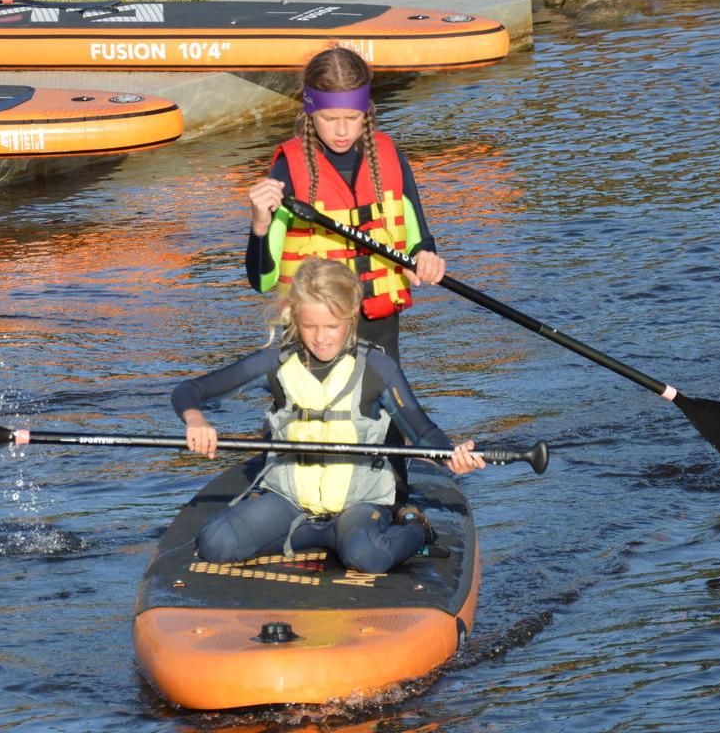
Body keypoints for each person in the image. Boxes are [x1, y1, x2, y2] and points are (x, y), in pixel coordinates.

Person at [172, 258, 485, 575]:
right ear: (296, 317)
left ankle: (415, 530)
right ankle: (317, 538)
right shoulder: (276, 362)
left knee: (367, 556)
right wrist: (195, 419)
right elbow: (189, 391)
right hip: (289, 502)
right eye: (310, 326)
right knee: (215, 544)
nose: (321, 337)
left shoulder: (378, 367)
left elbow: (422, 432)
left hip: (358, 505)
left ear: (351, 318)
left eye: (332, 326)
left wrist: (451, 455)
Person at [245, 46, 446, 363]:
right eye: (329, 118)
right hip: (312, 338)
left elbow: (421, 239)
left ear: (366, 112)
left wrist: (426, 256)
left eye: (352, 118)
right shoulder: (288, 171)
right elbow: (261, 281)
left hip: (379, 334)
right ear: (310, 111)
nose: (342, 130)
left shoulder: (390, 159)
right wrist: (259, 224)